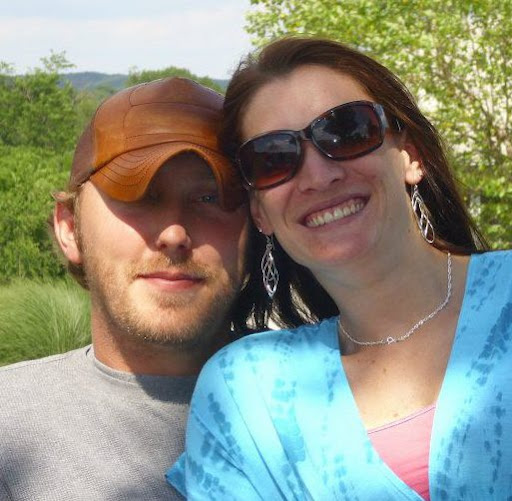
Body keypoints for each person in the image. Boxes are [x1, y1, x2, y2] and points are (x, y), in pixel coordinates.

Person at [167, 37, 512, 500]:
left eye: (347, 131)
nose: (319, 176)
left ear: (410, 156)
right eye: (273, 158)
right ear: (260, 212)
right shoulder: (248, 395)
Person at [0, 77, 255, 500]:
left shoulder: (334, 396)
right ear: (69, 228)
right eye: (139, 197)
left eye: (210, 198)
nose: (174, 234)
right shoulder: (9, 425)